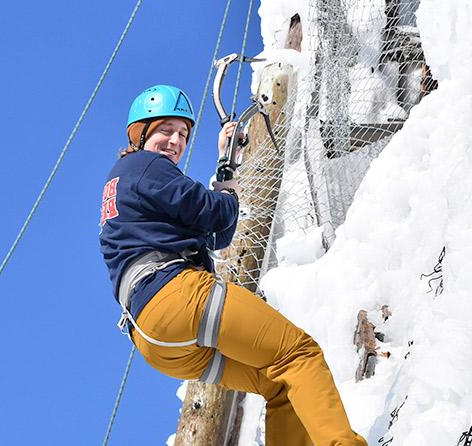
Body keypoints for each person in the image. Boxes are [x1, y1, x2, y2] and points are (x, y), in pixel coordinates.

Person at [99, 85, 367, 446]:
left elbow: (216, 236)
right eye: (165, 130)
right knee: (299, 354)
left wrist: (227, 166)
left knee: (277, 384)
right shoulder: (146, 164)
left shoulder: (130, 183)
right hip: (177, 295)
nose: (175, 141)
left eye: (182, 134)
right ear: (141, 132)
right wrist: (227, 192)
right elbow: (215, 211)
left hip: (154, 338)